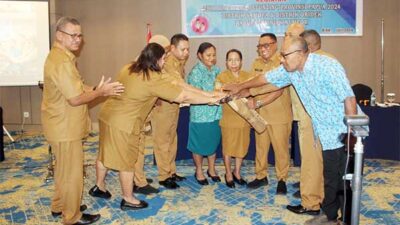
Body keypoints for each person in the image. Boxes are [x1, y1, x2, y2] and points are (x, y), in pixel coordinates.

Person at [225, 36, 357, 225]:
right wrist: (241, 87)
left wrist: (351, 135)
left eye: (285, 55)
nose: (281, 59)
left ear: (301, 54)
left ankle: (346, 220)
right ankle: (329, 217)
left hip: (343, 132)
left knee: (343, 181)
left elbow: (349, 98)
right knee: (329, 178)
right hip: (324, 132)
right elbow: (264, 78)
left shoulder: (328, 66)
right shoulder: (291, 71)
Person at [94, 43, 225, 211]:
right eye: (163, 59)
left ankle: (99, 186)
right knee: (127, 162)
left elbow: (182, 86)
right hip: (124, 123)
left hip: (107, 116)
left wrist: (210, 95)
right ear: (155, 60)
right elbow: (183, 95)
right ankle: (127, 198)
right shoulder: (152, 79)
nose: (164, 62)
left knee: (105, 153)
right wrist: (210, 99)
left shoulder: (129, 67)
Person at [41, 17, 124, 225]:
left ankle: (61, 206)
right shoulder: (61, 62)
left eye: (80, 35)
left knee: (64, 171)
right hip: (64, 127)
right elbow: (76, 98)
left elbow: (78, 88)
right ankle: (71, 216)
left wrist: (97, 89)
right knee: (72, 174)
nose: (78, 39)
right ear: (60, 35)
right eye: (73, 35)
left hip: (61, 125)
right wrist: (101, 93)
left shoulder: (62, 57)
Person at [246, 33, 292, 195]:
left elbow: (278, 89)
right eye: (260, 46)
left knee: (281, 150)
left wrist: (256, 101)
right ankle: (261, 176)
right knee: (261, 148)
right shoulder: (256, 63)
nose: (263, 49)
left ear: (275, 44)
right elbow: (251, 84)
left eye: (266, 45)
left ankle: (282, 179)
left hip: (279, 115)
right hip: (260, 115)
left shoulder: (282, 62)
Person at [151, 34, 190, 189]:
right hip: (163, 108)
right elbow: (180, 84)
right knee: (162, 142)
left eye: (188, 49)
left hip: (173, 105)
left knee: (172, 140)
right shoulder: (165, 62)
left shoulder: (178, 62)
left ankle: (171, 171)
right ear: (172, 48)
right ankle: (163, 176)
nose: (186, 52)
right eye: (183, 49)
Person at [215, 49, 253, 188]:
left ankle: (237, 172)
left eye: (236, 60)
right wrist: (232, 94)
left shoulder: (247, 76)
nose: (233, 63)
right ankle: (228, 174)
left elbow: (251, 92)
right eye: (230, 60)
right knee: (228, 148)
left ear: (241, 62)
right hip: (228, 119)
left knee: (241, 147)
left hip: (244, 119)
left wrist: (241, 92)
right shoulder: (222, 76)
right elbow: (219, 94)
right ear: (226, 62)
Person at [187, 42, 222, 185]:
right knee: (199, 145)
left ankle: (212, 169)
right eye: (208, 55)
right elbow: (194, 94)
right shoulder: (195, 72)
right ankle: (199, 170)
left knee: (212, 143)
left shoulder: (217, 70)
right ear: (199, 56)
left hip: (216, 114)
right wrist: (211, 97)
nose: (212, 58)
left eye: (214, 55)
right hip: (200, 115)